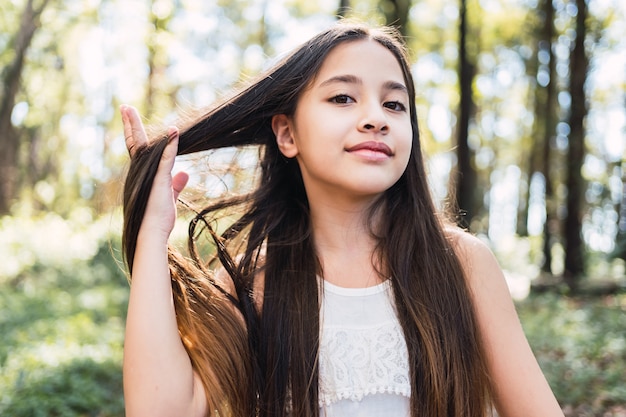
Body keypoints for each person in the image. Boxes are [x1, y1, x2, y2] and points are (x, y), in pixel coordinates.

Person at [120, 21, 564, 417]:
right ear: (287, 134)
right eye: (343, 97)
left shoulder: (461, 264)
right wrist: (152, 233)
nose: (375, 118)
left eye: (394, 105)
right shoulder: (250, 281)